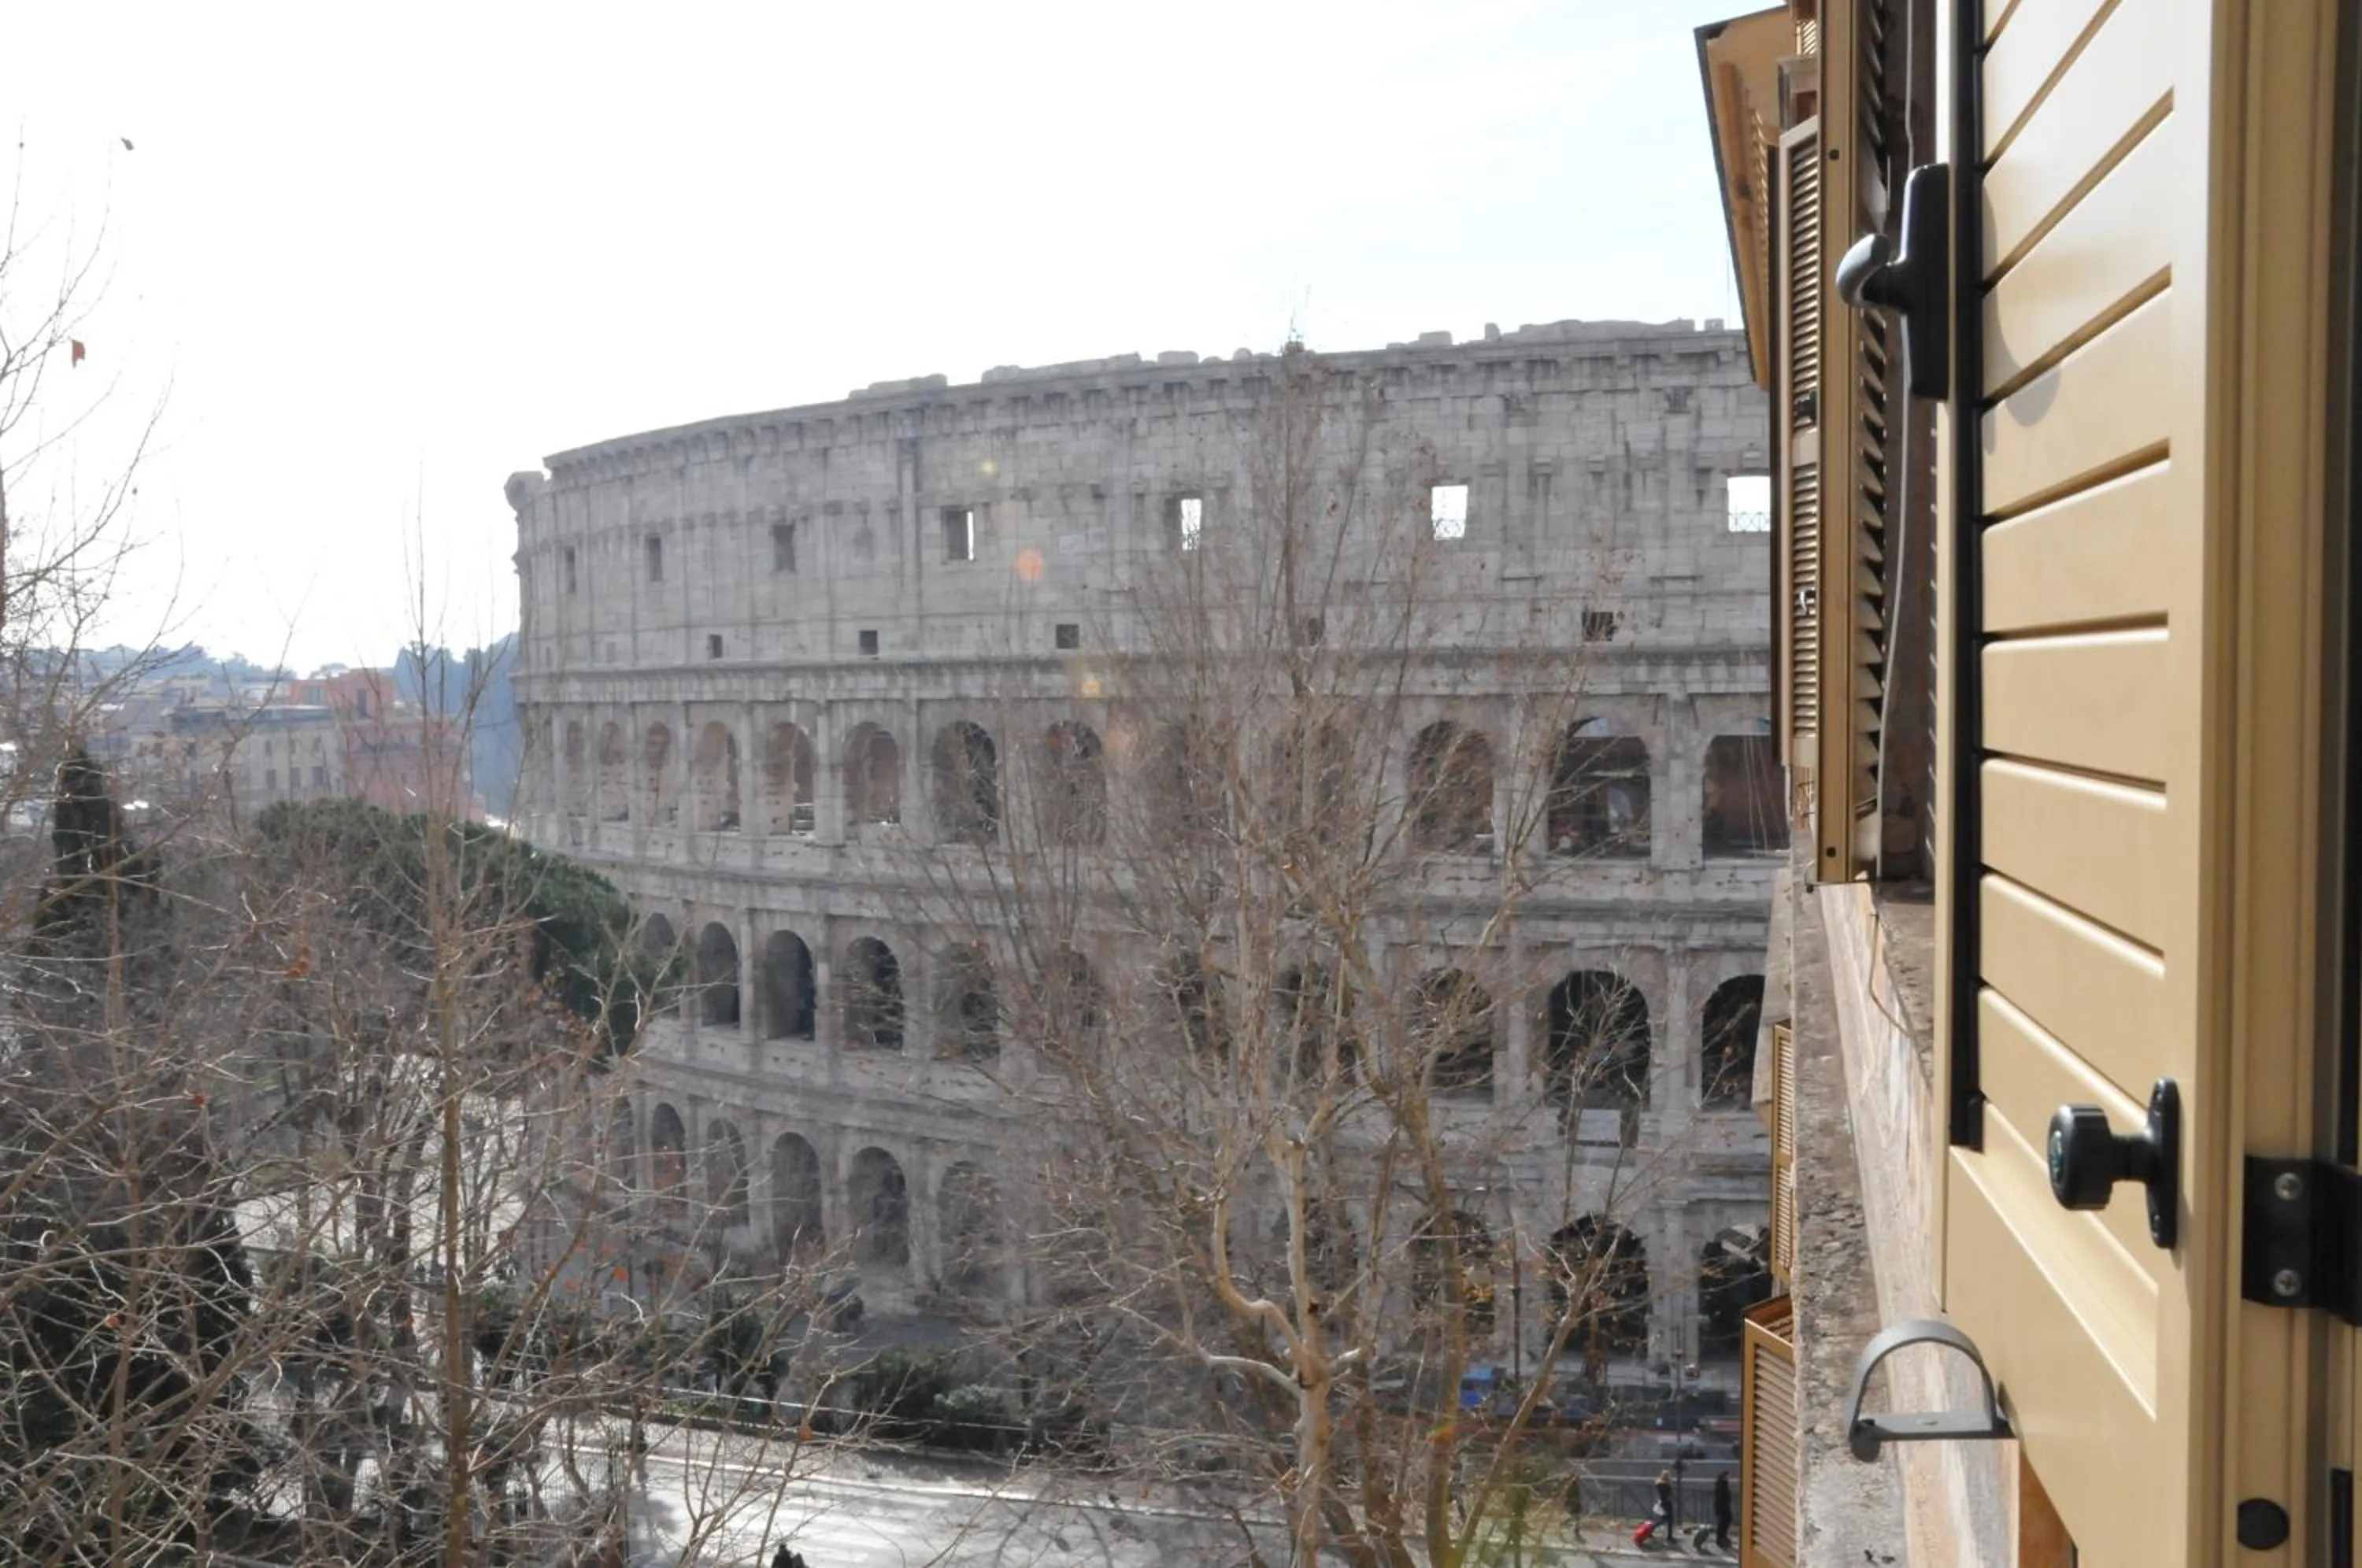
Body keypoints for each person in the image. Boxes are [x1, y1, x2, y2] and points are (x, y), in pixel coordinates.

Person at [1632, 1468, 1674, 1546]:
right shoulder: (1665, 1485)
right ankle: (1668, 1536)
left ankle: (1653, 1531)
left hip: (1663, 1503)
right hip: (1667, 1504)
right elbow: (1667, 1495)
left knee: (1665, 1520)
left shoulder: (1659, 1483)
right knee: (1668, 1520)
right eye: (1668, 1475)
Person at [1714, 1469, 1734, 1550]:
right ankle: (1721, 1539)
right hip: (1723, 1507)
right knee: (1724, 1523)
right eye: (1728, 1476)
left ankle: (1722, 1538)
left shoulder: (1721, 1484)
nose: (1729, 1478)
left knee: (1725, 1522)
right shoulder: (1722, 1485)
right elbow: (1721, 1497)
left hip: (1723, 1507)